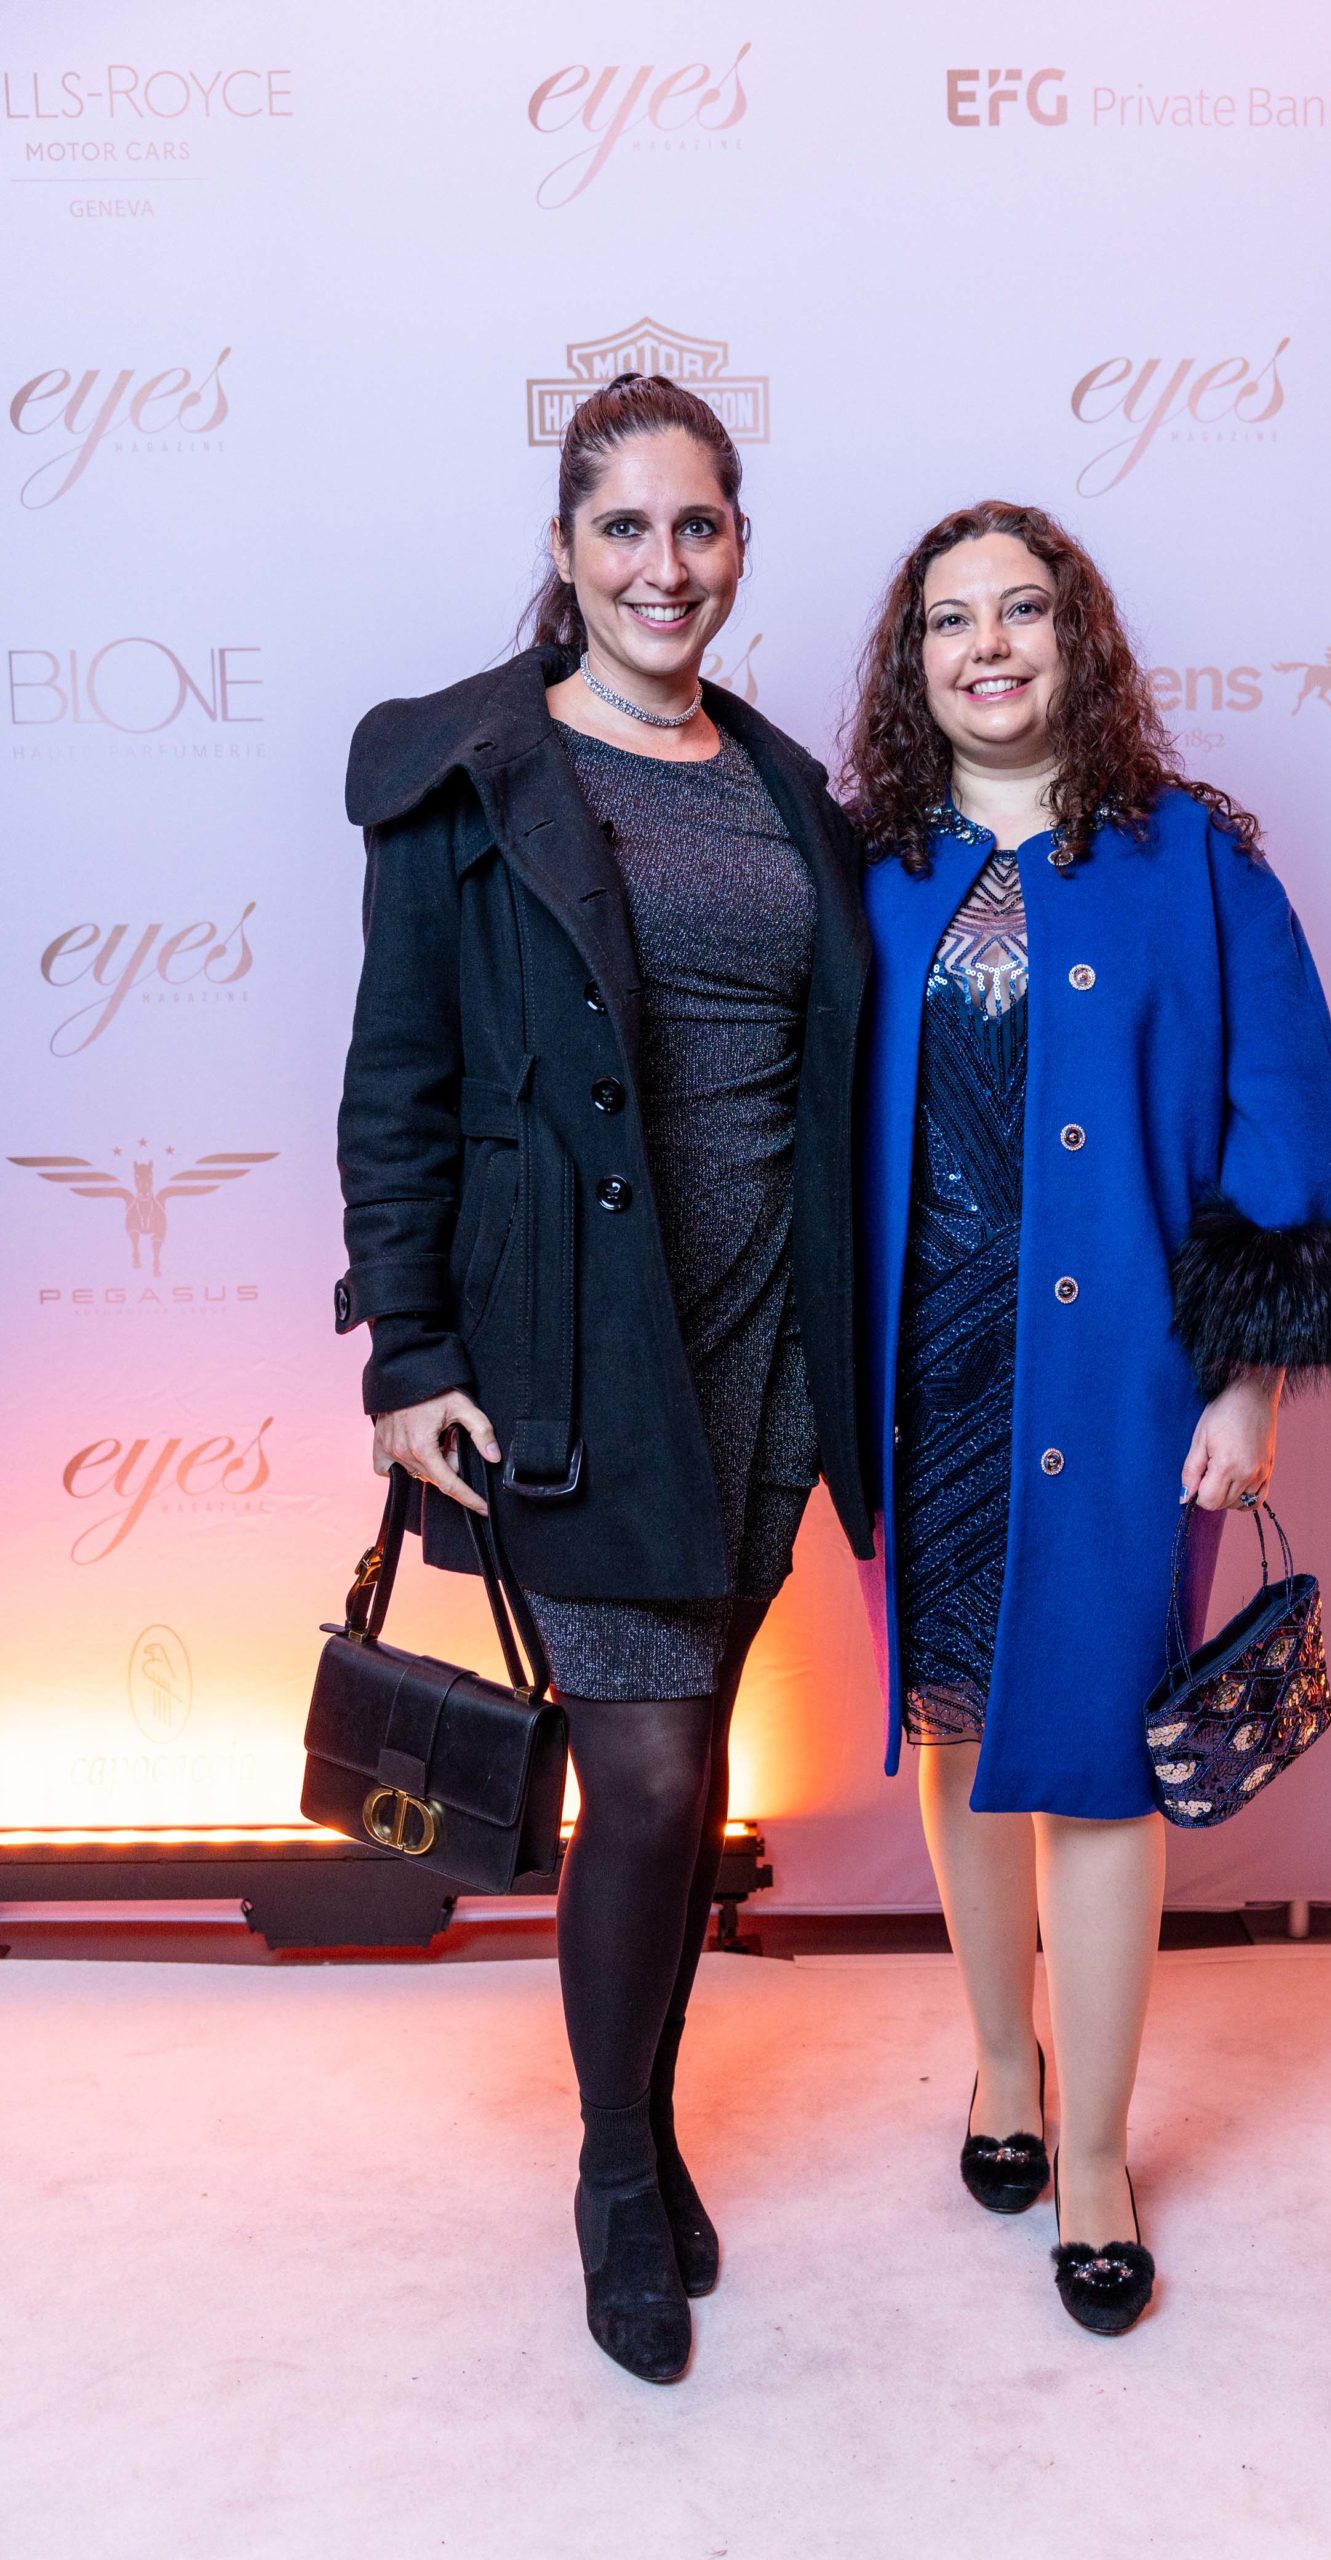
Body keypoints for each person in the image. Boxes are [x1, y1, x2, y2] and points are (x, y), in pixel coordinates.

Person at [845, 500, 1331, 2335]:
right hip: (916, 1378)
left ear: (1076, 640)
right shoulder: (867, 869)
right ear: (913, 663)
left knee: (1103, 1757)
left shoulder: (1195, 861)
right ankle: (999, 2064)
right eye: (950, 620)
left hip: (1119, 1388)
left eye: (1022, 610)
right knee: (952, 1727)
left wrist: (1252, 1377)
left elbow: (1286, 1116)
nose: (987, 646)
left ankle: (1091, 2156)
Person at [334, 375, 873, 2383]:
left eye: (699, 525)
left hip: (766, 1347)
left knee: (693, 1761)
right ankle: (619, 2170)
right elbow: (399, 1083)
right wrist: (408, 1350)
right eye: (625, 526)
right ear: (563, 551)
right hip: (572, 1350)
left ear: (738, 547)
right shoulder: (467, 777)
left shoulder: (788, 788)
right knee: (638, 1779)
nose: (666, 564)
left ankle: (640, 2115)